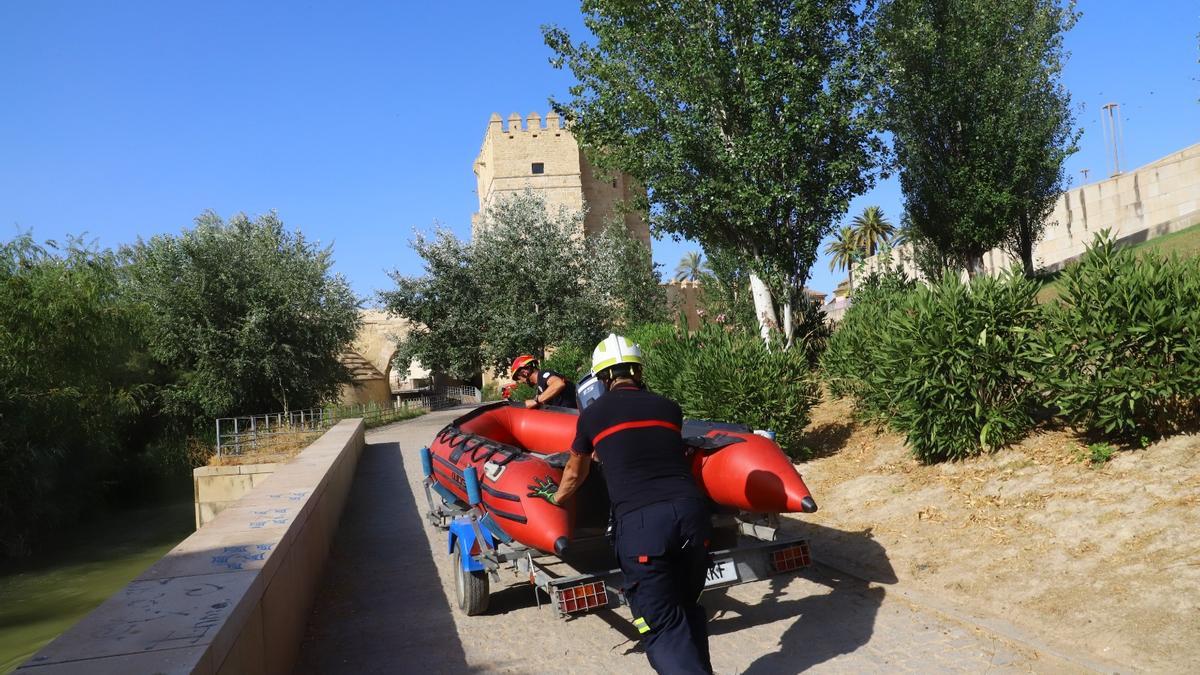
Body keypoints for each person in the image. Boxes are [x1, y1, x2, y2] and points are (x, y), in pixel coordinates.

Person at [529, 334, 712, 674]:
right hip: (693, 519)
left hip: (644, 529)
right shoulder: (669, 407)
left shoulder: (593, 416)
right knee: (687, 610)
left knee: (663, 626)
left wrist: (555, 499)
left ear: (602, 379)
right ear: (638, 372)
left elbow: (573, 473)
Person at [509, 354, 577, 409]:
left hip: (574, 414)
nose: (520, 382)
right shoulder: (541, 387)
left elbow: (558, 384)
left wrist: (536, 401)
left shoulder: (543, 375)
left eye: (518, 378)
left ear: (525, 372)